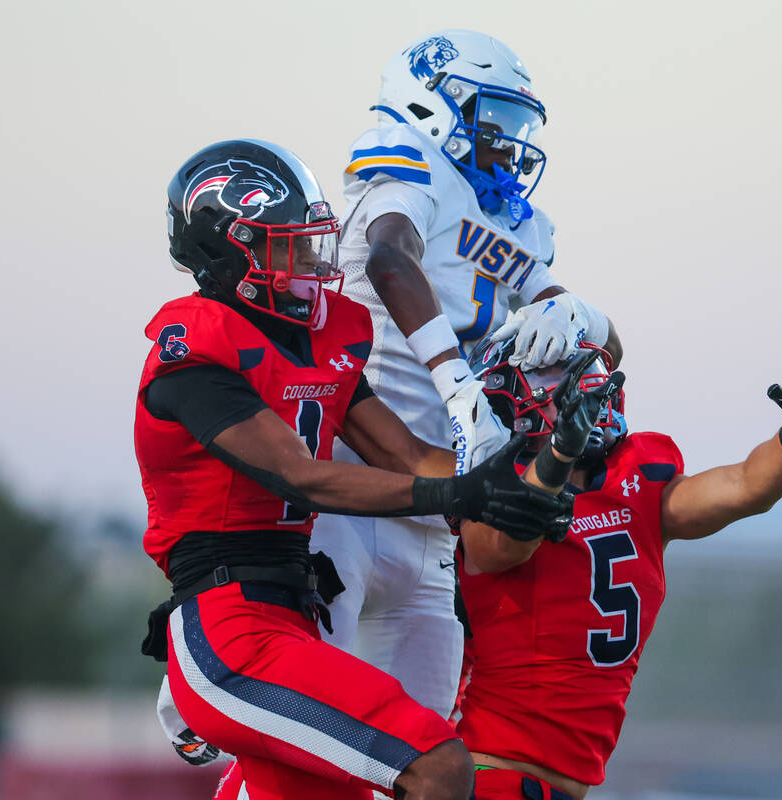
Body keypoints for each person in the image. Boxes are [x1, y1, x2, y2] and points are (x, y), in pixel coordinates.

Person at [134, 138, 573, 800]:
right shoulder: (193, 348)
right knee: (437, 764)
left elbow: (406, 455)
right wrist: (458, 491)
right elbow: (301, 475)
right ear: (233, 246)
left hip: (291, 614)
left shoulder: (322, 337)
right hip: (228, 628)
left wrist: (516, 475)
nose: (312, 260)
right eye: (290, 244)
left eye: (312, 242)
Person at [311, 28, 624, 720]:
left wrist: (582, 316)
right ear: (432, 105)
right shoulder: (407, 163)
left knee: (421, 757)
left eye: (518, 126)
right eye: (495, 121)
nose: (510, 146)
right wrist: (460, 391)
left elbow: (605, 352)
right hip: (348, 492)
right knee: (308, 735)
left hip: (437, 514)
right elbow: (392, 260)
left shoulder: (518, 223)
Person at [453, 337, 782, 800]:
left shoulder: (637, 486)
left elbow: (744, 486)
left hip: (553, 786)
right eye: (555, 378)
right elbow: (501, 545)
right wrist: (558, 456)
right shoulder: (494, 487)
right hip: (487, 771)